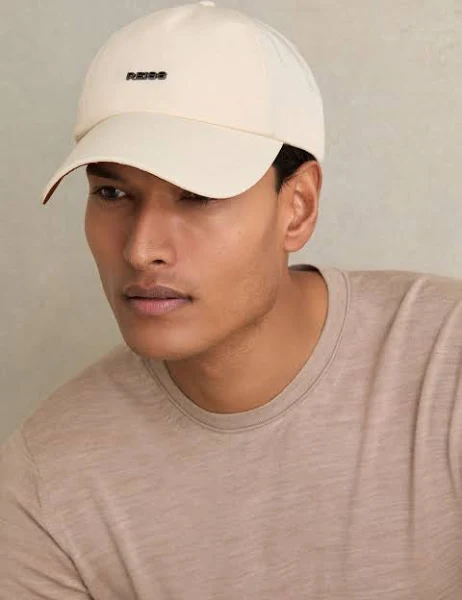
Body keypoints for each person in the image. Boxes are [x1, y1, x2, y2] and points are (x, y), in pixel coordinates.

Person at [1, 2, 461, 598]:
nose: (141, 249)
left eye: (197, 195)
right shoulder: (49, 477)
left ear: (297, 208)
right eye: (112, 192)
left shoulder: (445, 366)